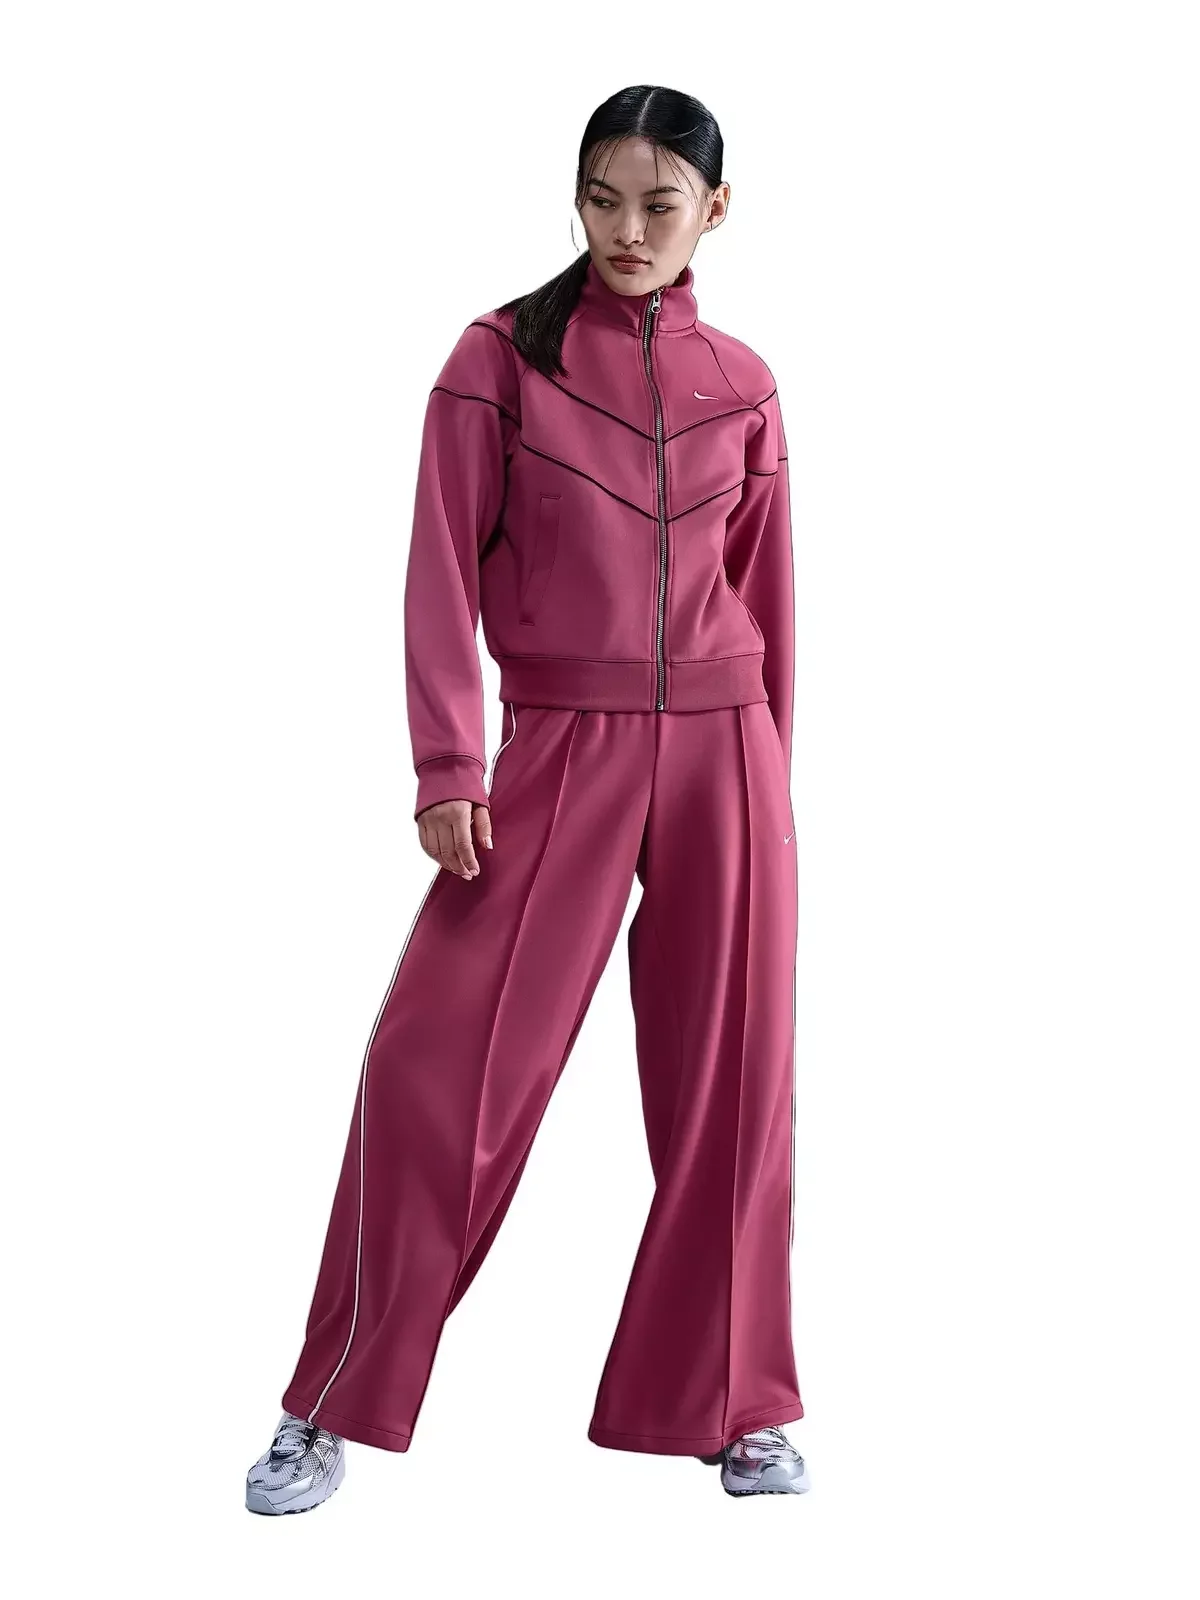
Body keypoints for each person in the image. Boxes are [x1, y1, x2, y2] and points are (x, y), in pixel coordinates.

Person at [245, 83, 809, 1513]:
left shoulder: (745, 381)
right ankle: (329, 1399)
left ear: (716, 211)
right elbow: (439, 567)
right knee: (435, 1072)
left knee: (736, 1089)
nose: (628, 230)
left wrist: (773, 793)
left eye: (661, 205)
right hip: (560, 740)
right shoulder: (499, 359)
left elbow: (769, 596)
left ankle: (735, 1407)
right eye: (603, 200)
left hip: (728, 753)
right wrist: (449, 763)